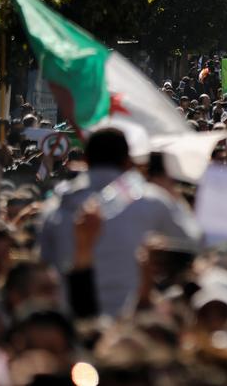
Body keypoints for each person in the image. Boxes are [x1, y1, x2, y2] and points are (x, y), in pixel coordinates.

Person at [37, 128, 198, 315]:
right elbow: (193, 241)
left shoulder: (55, 206)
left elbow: (42, 263)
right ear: (128, 161)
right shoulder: (152, 200)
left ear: (86, 160)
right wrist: (175, 197)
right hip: (130, 320)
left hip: (69, 318)